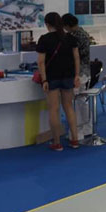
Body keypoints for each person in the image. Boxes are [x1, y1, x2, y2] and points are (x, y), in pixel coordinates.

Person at [36, 12, 80, 151]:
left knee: (54, 110)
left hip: (52, 78)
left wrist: (44, 80)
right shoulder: (70, 38)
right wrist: (76, 75)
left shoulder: (44, 39)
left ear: (47, 24)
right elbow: (76, 58)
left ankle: (57, 142)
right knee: (69, 107)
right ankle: (75, 139)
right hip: (68, 76)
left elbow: (41, 62)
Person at [62, 13, 91, 140]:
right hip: (84, 71)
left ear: (67, 25)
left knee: (76, 101)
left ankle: (77, 131)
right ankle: (87, 127)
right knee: (82, 101)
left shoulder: (74, 37)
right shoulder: (83, 33)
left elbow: (74, 56)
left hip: (78, 73)